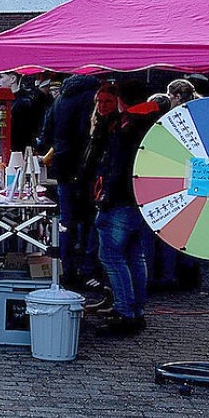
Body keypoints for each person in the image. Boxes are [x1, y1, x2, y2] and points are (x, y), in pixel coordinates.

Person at [86, 85, 157, 333]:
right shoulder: (146, 121)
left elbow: (116, 165)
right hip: (138, 198)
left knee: (113, 257)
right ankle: (135, 310)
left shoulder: (126, 127)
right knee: (134, 256)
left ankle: (126, 312)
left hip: (119, 200)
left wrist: (105, 195)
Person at [47, 73, 103, 290]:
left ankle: (65, 267)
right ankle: (88, 269)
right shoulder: (90, 98)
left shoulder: (61, 98)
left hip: (62, 164)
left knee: (66, 221)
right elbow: (86, 133)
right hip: (83, 167)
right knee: (90, 222)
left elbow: (48, 128)